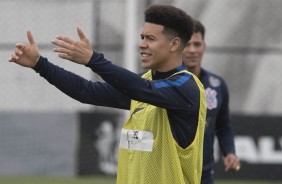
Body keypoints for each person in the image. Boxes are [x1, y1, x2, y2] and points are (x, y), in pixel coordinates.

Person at [9, 5, 207, 184]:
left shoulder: (185, 86)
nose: (141, 44)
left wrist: (94, 60)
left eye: (150, 39)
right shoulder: (145, 84)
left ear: (174, 44)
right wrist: (40, 64)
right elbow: (87, 91)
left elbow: (142, 89)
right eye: (142, 37)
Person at [182, 19, 240, 184]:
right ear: (177, 46)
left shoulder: (217, 85)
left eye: (197, 44)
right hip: (171, 172)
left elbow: (223, 126)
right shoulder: (164, 84)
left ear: (204, 47)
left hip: (204, 174)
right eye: (187, 44)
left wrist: (229, 152)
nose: (193, 50)